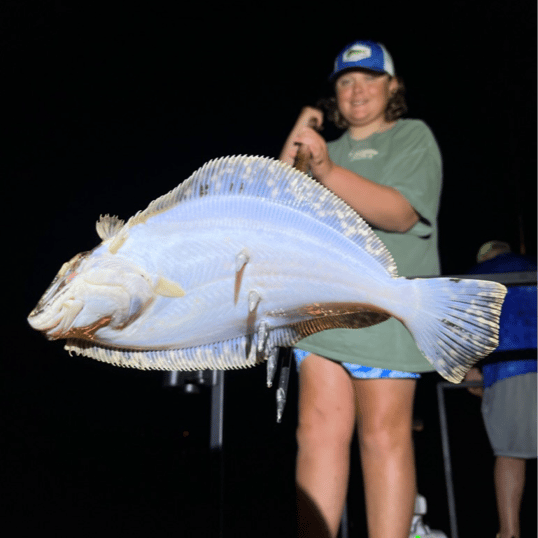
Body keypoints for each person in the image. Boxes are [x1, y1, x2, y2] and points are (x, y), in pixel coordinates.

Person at [279, 40, 443, 538]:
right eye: (345, 81)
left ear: (392, 86)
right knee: (317, 433)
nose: (356, 90)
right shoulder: (324, 146)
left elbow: (401, 214)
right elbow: (275, 201)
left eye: (369, 78)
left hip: (387, 312)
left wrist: (327, 170)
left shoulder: (411, 137)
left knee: (383, 437)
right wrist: (300, 131)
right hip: (323, 311)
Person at [464, 240, 537, 538]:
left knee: (510, 451)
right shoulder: (533, 266)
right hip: (520, 366)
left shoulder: (478, 274)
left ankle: (509, 532)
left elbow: (462, 323)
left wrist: (466, 368)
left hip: (511, 365)